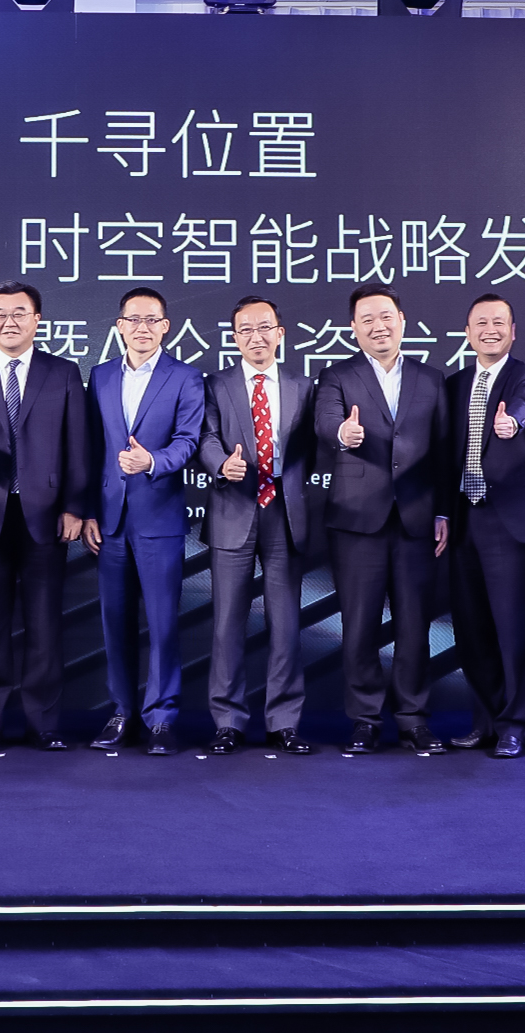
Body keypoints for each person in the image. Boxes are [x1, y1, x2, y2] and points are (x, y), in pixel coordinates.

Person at [0, 281, 93, 753]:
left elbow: (78, 446)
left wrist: (75, 506)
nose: (10, 321)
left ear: (37, 320)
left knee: (44, 626)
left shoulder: (62, 373)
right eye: (0, 314)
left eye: (19, 313)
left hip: (45, 516)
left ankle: (42, 723)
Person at [312, 287, 452, 755]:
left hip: (416, 520)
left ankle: (413, 719)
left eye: (386, 316)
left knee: (415, 625)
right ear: (353, 328)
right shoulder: (336, 376)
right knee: (360, 625)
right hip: (356, 520)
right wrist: (343, 432)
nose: (378, 326)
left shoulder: (431, 379)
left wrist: (443, 510)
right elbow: (325, 423)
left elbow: (444, 453)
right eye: (367, 319)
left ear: (402, 320)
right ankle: (365, 719)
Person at [83, 287, 205, 756]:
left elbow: (189, 441)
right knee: (114, 623)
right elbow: (91, 449)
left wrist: (152, 461)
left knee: (163, 624)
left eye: (151, 320)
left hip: (160, 518)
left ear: (165, 327)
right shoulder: (101, 376)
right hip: (110, 520)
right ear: (119, 327)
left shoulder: (186, 378)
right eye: (133, 320)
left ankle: (161, 718)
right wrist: (89, 510)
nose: (142, 328)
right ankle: (121, 712)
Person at [199, 296, 317, 755]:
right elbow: (206, 436)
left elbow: (312, 449)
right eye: (245, 330)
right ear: (234, 338)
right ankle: (228, 721)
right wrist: (220, 464)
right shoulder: (216, 384)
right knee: (227, 623)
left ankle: (283, 721)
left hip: (285, 512)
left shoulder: (303, 386)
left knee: (285, 623)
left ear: (280, 333)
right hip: (233, 510)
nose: (256, 337)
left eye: (264, 327)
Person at [441, 293, 525, 759]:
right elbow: (444, 454)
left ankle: (516, 724)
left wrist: (514, 424)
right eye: (481, 323)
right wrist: (442, 512)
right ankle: (485, 721)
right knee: (471, 629)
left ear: (513, 331)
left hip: (510, 521)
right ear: (468, 333)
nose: (490, 330)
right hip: (464, 518)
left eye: (499, 323)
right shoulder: (454, 384)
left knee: (513, 629)